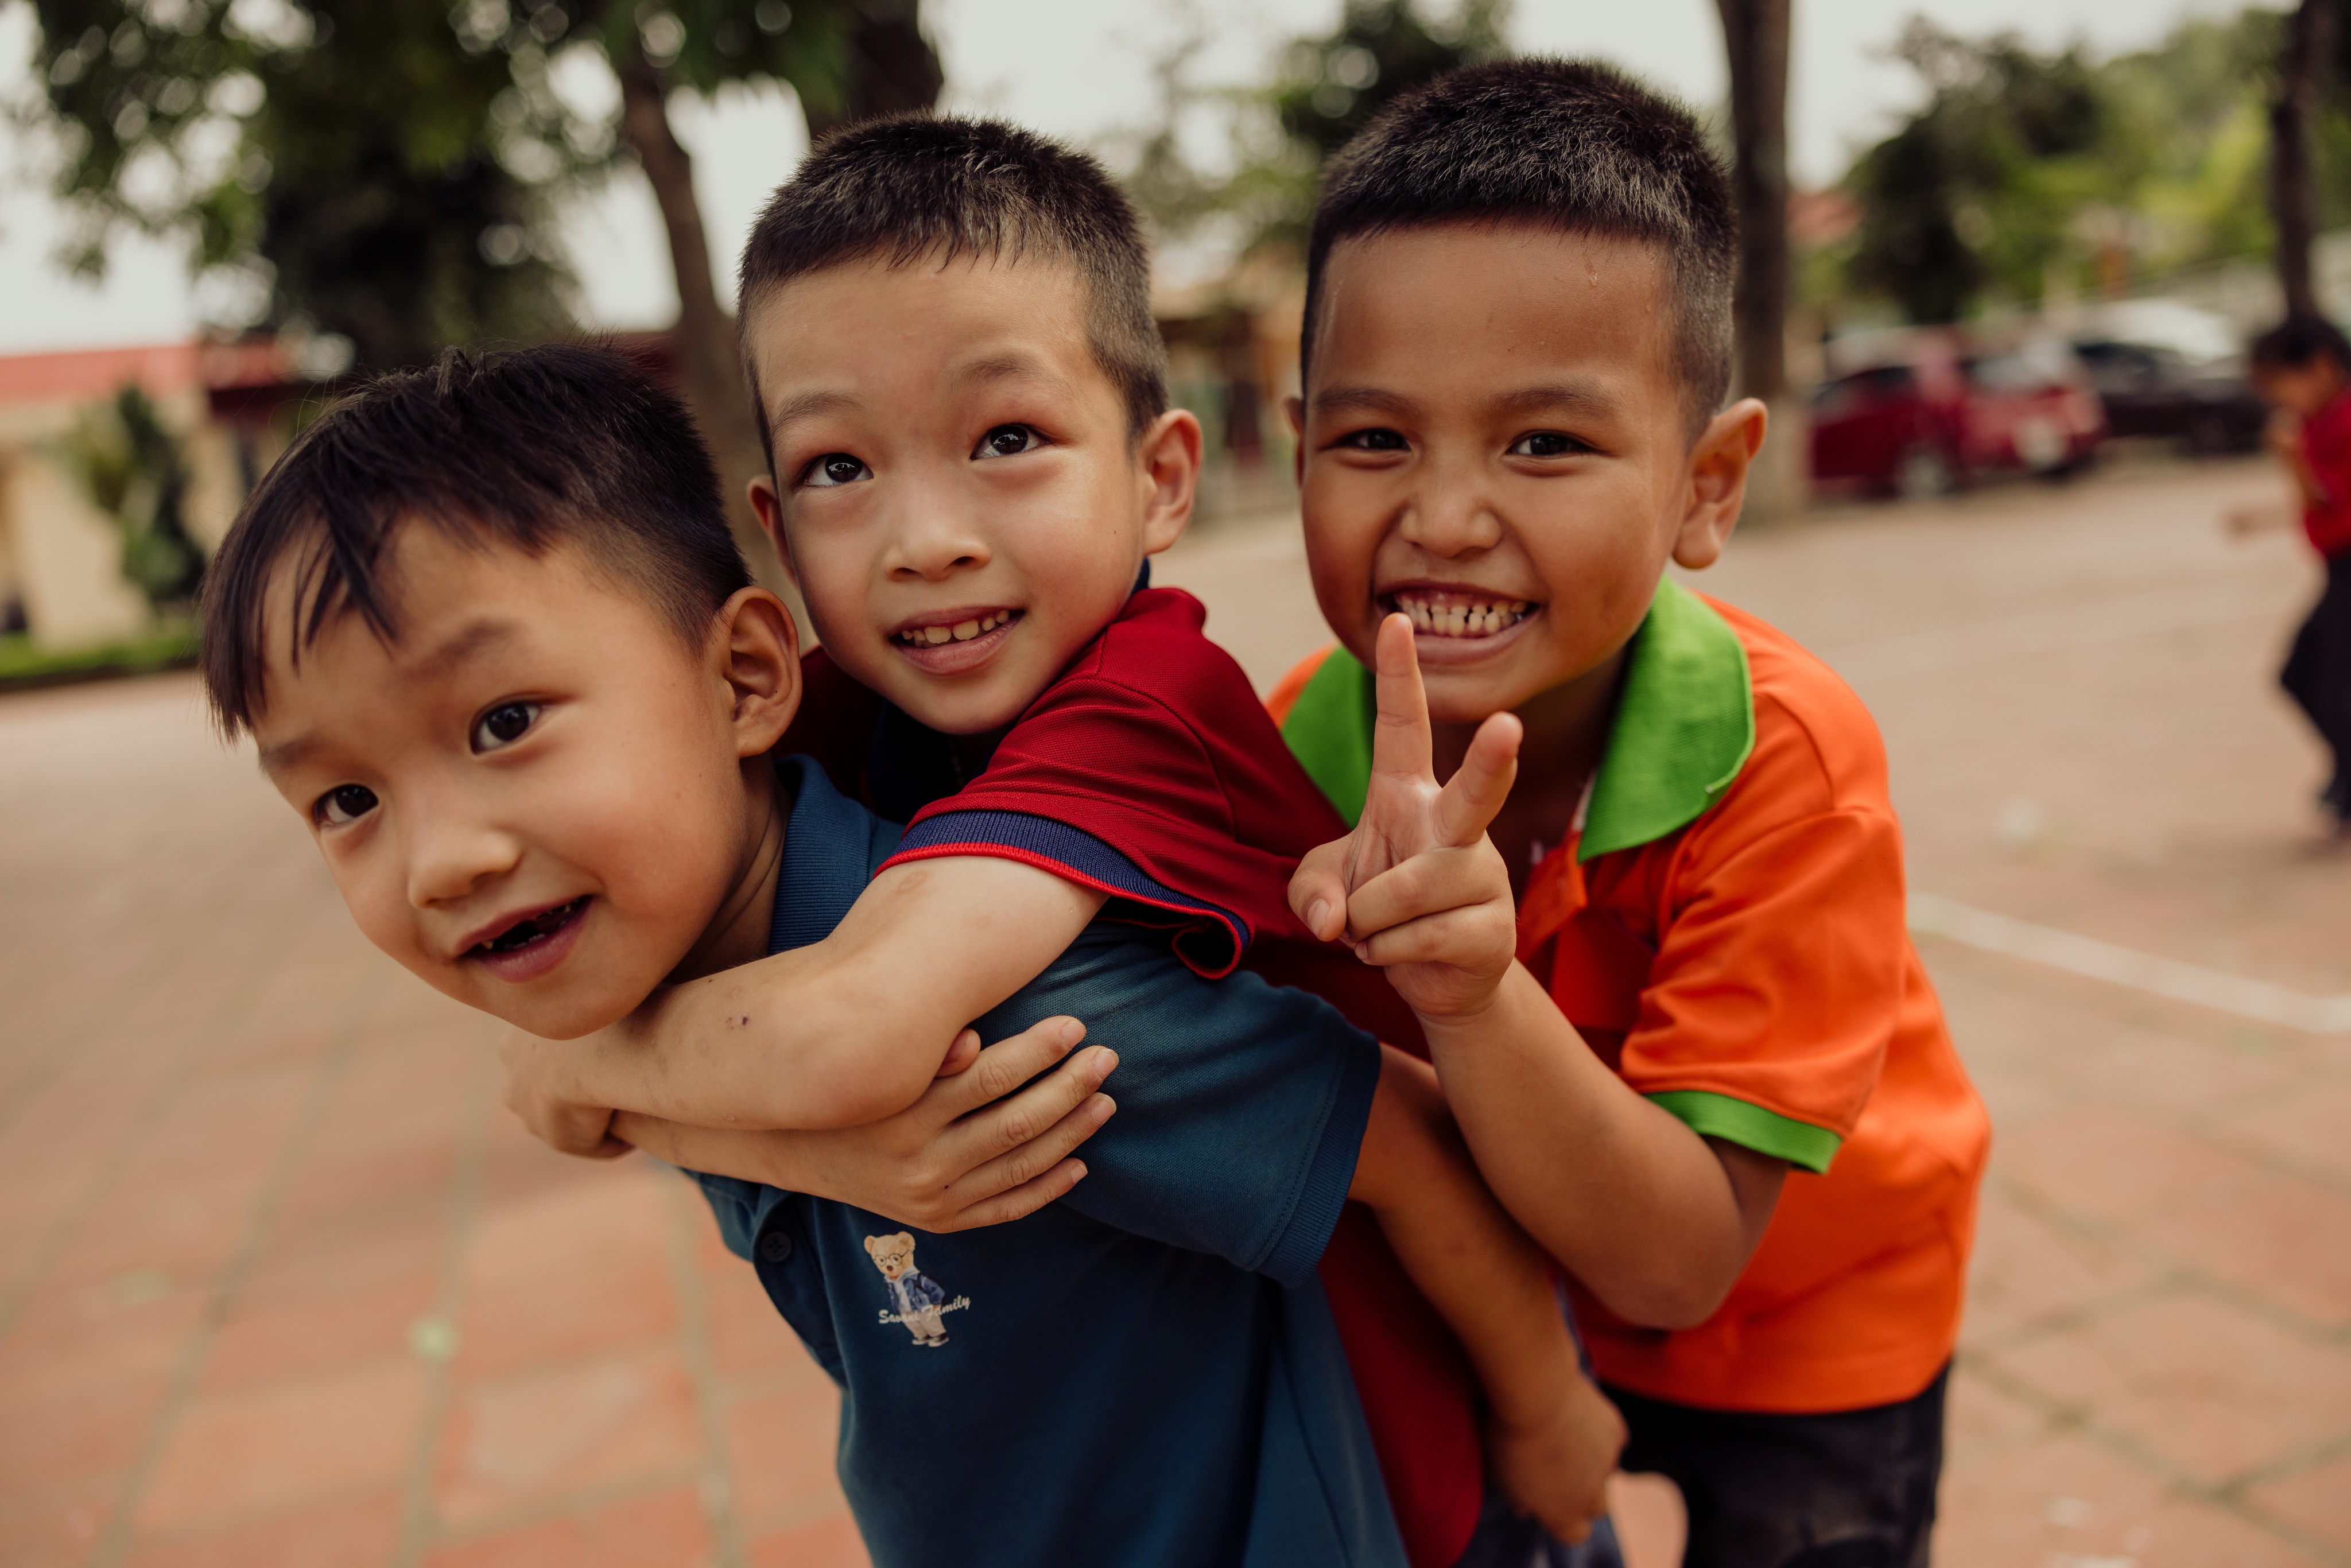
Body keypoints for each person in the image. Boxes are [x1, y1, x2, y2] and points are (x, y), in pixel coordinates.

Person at [199, 336, 1609, 1563]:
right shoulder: (650, 968)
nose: (442, 858)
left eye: (504, 724)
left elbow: (1403, 1145)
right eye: (346, 801)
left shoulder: (1010, 1011)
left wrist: (1550, 1416)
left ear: (747, 676)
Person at [495, 117, 1627, 1568]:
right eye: (843, 469)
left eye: (1009, 441)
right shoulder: (846, 704)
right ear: (775, 530)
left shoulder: (1142, 706)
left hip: (1399, 1449)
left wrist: (585, 1066)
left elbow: (847, 1035)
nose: (927, 539)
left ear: (1159, 478)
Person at [1268, 60, 1993, 1568]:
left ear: (1706, 483)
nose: (1446, 513)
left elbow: (1681, 1261)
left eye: (1544, 443)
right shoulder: (1293, 747)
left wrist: (1466, 988)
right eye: (1372, 439)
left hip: (1813, 1313)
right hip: (1514, 1294)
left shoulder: (1784, 759)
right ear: (1297, 450)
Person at [2233, 314, 2351, 835]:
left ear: (2321, 367)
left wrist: (2293, 462)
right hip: (2338, 567)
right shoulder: (2316, 424)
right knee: (2301, 674)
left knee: (2333, 684)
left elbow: (2329, 496)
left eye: (2282, 384)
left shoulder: (2344, 420)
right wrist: (2264, 515)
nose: (2278, 400)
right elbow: (2317, 503)